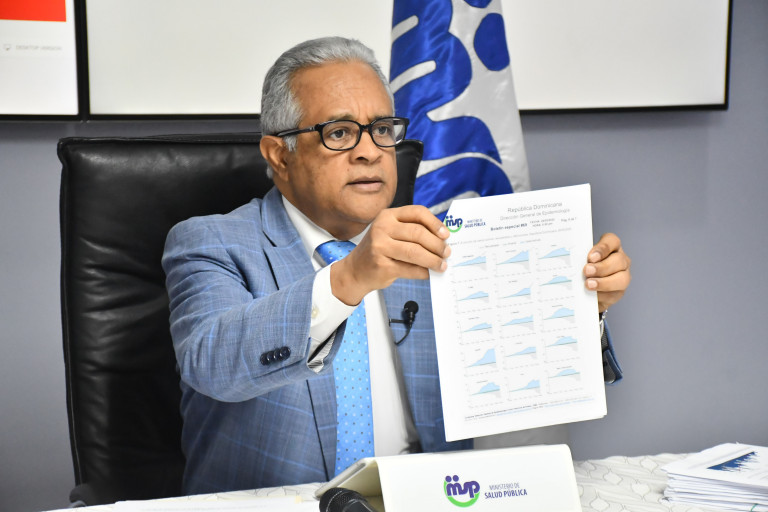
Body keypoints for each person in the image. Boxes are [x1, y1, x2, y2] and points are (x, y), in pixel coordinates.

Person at [162, 36, 631, 494]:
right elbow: (211, 364)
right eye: (339, 133)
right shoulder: (212, 243)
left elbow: (524, 373)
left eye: (382, 129)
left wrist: (580, 303)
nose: (369, 151)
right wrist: (349, 277)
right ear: (279, 155)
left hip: (429, 498)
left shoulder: (442, 243)